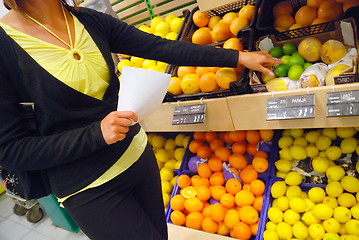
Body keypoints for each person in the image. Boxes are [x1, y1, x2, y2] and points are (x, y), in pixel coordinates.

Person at [0, 0, 280, 239]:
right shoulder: (6, 47)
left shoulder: (85, 19)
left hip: (137, 157)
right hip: (88, 188)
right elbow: (11, 150)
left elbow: (160, 47)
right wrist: (95, 134)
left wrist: (237, 57)